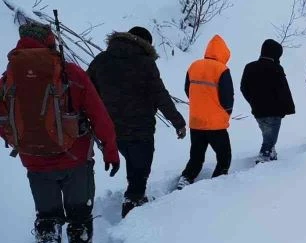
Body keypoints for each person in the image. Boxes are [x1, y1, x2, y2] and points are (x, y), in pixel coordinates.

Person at [0, 22, 120, 243]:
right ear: (49, 41)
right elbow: (99, 115)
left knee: (47, 215)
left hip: (35, 163)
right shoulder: (70, 73)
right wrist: (110, 149)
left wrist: (22, 142)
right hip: (76, 159)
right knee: (79, 213)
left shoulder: (9, 77)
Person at [88, 26, 186, 218]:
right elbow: (160, 95)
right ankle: (133, 204)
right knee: (140, 166)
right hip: (140, 128)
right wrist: (178, 122)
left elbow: (87, 91)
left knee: (133, 162)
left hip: (110, 128)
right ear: (145, 44)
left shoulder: (101, 60)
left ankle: (135, 194)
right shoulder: (145, 63)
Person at [177, 35, 233, 188]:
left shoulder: (194, 66)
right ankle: (218, 181)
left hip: (196, 121)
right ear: (224, 53)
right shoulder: (222, 69)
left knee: (196, 155)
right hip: (216, 124)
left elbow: (187, 89)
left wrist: (198, 104)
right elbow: (227, 96)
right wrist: (227, 113)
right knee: (224, 156)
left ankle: (186, 178)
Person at [240, 39, 295, 162]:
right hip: (274, 111)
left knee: (267, 135)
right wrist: (287, 109)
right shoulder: (276, 68)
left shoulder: (250, 67)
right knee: (270, 138)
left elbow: (244, 88)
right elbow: (284, 91)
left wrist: (253, 102)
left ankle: (270, 152)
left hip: (258, 110)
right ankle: (265, 156)